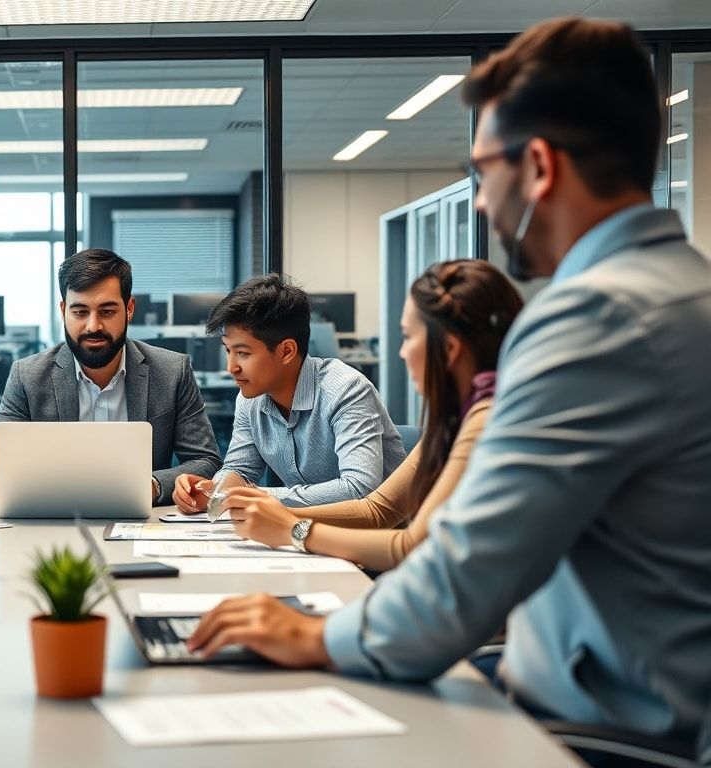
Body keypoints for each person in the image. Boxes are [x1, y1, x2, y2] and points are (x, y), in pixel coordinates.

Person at [187, 18, 711, 752]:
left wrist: (312, 634)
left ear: (538, 167)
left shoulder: (595, 319)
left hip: (597, 727)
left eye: (482, 172)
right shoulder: (682, 292)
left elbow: (463, 572)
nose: (480, 203)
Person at [225, 260, 522, 572]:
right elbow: (378, 511)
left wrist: (292, 528)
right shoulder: (454, 418)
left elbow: (408, 546)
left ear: (449, 349)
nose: (402, 353)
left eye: (408, 337)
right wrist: (271, 513)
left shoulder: (486, 421)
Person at [0, 248, 221, 505]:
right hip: (56, 516)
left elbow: (205, 461)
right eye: (80, 312)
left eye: (107, 312)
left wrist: (151, 486)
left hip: (142, 519)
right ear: (63, 311)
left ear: (129, 309)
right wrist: (57, 487)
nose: (93, 326)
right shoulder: (27, 376)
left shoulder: (172, 371)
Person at [173, 274, 405, 514]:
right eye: (228, 351)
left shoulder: (347, 390)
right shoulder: (250, 399)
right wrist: (212, 492)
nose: (231, 367)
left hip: (382, 529)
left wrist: (256, 496)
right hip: (305, 526)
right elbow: (240, 470)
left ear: (286, 351)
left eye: (243, 353)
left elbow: (360, 488)